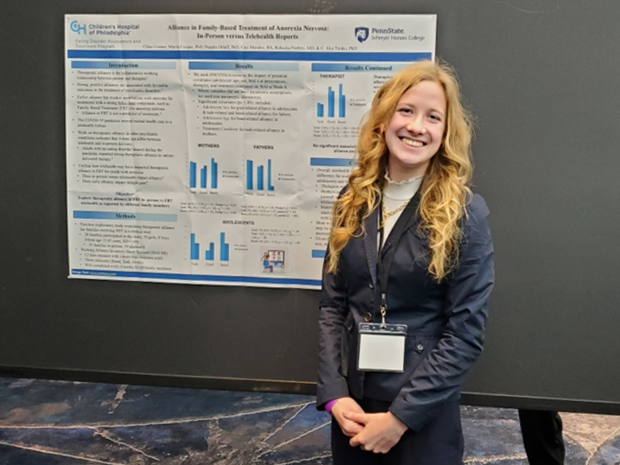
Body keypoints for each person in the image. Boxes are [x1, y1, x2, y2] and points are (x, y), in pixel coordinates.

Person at [317, 60, 495, 464]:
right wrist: (334, 396)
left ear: (445, 133)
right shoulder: (353, 199)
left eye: (433, 117)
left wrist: (399, 419)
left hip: (421, 413)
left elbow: (465, 332)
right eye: (406, 110)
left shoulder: (466, 213)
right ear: (384, 120)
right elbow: (333, 306)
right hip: (353, 410)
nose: (417, 126)